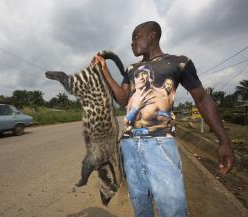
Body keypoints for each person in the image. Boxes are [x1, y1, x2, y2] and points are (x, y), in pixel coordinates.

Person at [91, 21, 235, 217]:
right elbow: (123, 100)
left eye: (136, 37)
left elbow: (202, 99)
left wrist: (224, 141)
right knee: (140, 204)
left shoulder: (178, 62)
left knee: (172, 208)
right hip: (129, 145)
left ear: (152, 35)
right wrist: (104, 71)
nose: (132, 43)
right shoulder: (131, 68)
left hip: (159, 143)